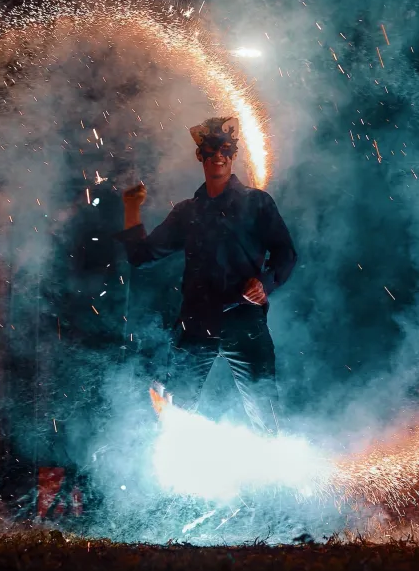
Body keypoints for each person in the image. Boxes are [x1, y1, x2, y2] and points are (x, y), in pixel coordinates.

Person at [115, 117, 297, 433]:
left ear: (234, 154)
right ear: (200, 155)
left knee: (265, 414)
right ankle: (180, 479)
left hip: (243, 320)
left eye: (226, 149)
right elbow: (141, 257)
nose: (218, 156)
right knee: (175, 412)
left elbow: (286, 254)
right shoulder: (188, 211)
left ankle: (276, 480)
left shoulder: (256, 203)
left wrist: (264, 284)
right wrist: (132, 209)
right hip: (196, 323)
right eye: (211, 149)